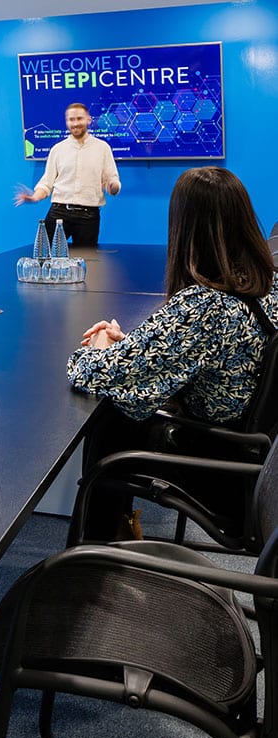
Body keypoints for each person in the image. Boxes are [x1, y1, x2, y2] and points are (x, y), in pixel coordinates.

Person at [67, 166, 277, 534]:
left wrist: (99, 345)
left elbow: (96, 374)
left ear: (185, 227)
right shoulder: (265, 288)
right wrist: (134, 344)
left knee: (113, 420)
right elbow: (199, 355)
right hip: (251, 458)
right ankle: (109, 539)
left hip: (218, 470)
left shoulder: (204, 306)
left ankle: (95, 550)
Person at [15, 102, 120, 247]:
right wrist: (34, 197)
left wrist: (113, 187)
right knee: (45, 256)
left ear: (88, 119)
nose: (75, 123)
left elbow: (112, 180)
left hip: (88, 216)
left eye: (79, 118)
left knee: (87, 263)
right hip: (58, 213)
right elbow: (47, 182)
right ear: (66, 122)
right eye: (71, 119)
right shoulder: (57, 150)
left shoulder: (103, 148)